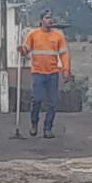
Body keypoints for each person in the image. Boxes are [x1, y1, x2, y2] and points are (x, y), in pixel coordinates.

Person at [17, 10, 69, 139]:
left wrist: (66, 69)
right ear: (41, 20)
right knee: (37, 99)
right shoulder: (33, 34)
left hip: (52, 73)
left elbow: (64, 54)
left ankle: (48, 128)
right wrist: (22, 50)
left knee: (52, 102)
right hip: (38, 72)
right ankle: (34, 123)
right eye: (46, 18)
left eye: (50, 18)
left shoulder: (58, 36)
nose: (49, 20)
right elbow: (26, 50)